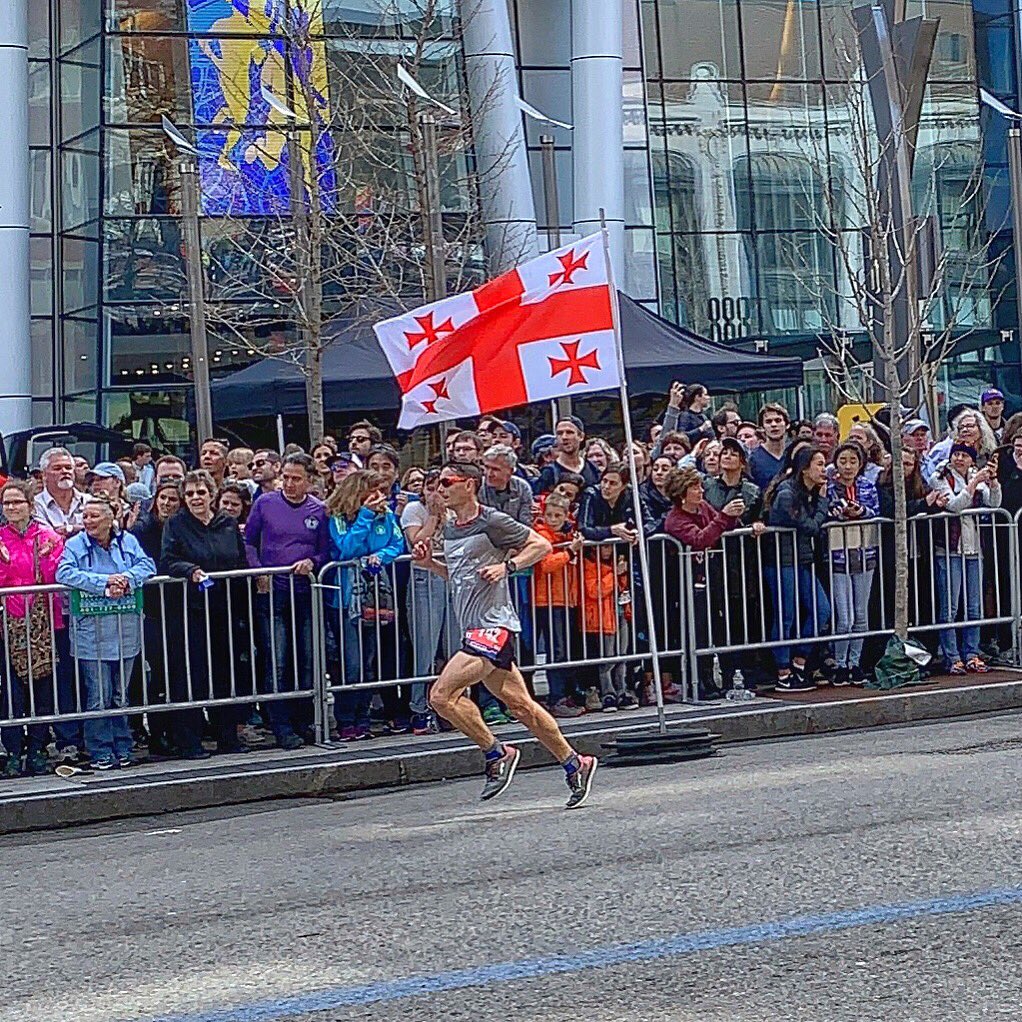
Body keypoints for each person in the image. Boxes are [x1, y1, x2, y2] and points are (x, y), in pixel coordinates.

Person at [411, 462, 598, 809]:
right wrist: (431, 566)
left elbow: (540, 545)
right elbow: (461, 577)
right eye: (437, 482)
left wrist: (506, 567)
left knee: (440, 696)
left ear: (469, 485)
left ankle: (497, 752)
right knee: (521, 706)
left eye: (448, 481)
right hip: (475, 627)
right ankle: (575, 763)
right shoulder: (452, 529)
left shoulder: (492, 521)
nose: (441, 487)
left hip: (493, 627)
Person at [56, 494, 156, 770]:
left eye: (94, 516)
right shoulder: (75, 544)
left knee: (120, 695)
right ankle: (100, 749)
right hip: (92, 634)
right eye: (85, 516)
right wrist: (104, 582)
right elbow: (64, 573)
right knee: (97, 695)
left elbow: (147, 565)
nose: (87, 521)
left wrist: (127, 579)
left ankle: (123, 746)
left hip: (125, 631)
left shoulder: (128, 541)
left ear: (111, 517)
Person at [161, 470, 252, 756]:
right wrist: (190, 571)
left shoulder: (227, 522)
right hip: (191, 611)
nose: (196, 498)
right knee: (191, 676)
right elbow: (168, 560)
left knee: (227, 674)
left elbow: (239, 559)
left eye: (201, 492)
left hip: (225, 609)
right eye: (189, 494)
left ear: (212, 494)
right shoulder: (176, 524)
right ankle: (189, 741)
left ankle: (229, 738)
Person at [244, 453, 330, 750]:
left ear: (309, 480)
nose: (290, 484)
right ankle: (280, 726)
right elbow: (249, 541)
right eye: (287, 477)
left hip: (305, 593)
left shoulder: (318, 510)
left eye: (297, 479)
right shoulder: (265, 503)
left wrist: (312, 561)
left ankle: (304, 721)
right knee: (277, 661)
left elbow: (325, 552)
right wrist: (258, 571)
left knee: (306, 660)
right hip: (273, 593)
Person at [324, 470, 406, 740]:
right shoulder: (337, 517)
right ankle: (345, 719)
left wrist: (381, 555)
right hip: (346, 599)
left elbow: (397, 543)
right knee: (352, 663)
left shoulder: (388, 515)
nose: (379, 497)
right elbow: (347, 548)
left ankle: (363, 718)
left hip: (375, 594)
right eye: (373, 491)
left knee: (370, 662)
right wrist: (366, 517)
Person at [0, 481, 64, 777]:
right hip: (7, 625)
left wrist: (48, 555)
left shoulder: (46, 536)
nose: (11, 508)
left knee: (42, 687)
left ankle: (38, 746)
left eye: (17, 502)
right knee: (10, 691)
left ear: (30, 505)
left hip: (44, 624)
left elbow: (56, 575)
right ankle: (13, 749)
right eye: (7, 503)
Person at [31, 446, 88, 767]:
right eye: (58, 468)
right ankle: (66, 739)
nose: (66, 472)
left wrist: (66, 536)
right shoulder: (34, 507)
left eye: (69, 467)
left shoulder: (89, 502)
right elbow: (43, 546)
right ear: (43, 475)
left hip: (87, 605)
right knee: (60, 675)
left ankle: (90, 737)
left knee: (88, 675)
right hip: (50, 608)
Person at [764, 446, 832, 691]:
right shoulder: (787, 493)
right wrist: (823, 500)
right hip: (782, 561)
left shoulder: (808, 492)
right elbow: (811, 525)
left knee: (822, 609)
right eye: (819, 464)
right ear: (805, 468)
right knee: (786, 615)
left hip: (802, 559)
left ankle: (799, 661)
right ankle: (783, 670)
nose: (824, 470)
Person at [931, 444, 1001, 674]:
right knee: (949, 606)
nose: (960, 459)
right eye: (956, 454)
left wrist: (992, 481)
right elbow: (954, 505)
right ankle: (952, 656)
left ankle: (971, 652)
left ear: (972, 459)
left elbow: (994, 503)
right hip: (950, 549)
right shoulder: (940, 476)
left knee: (974, 605)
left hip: (974, 548)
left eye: (965, 455)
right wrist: (973, 484)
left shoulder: (976, 474)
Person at [826, 442, 880, 686]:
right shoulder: (829, 488)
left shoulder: (867, 486)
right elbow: (827, 510)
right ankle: (839, 663)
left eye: (853, 461)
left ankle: (854, 663)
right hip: (838, 555)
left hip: (865, 553)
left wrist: (862, 511)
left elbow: (875, 511)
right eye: (843, 461)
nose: (848, 466)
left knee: (861, 613)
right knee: (844, 616)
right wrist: (840, 511)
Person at [400, 469, 448, 735]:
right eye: (431, 487)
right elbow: (417, 541)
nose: (437, 493)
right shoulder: (413, 510)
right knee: (425, 647)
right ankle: (419, 709)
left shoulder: (454, 510)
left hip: (451, 576)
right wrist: (433, 515)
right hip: (424, 580)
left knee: (455, 647)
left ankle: (452, 705)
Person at [532, 495, 585, 718]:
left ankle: (565, 693)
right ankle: (556, 697)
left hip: (566, 597)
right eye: (549, 515)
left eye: (557, 515)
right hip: (548, 599)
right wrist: (570, 551)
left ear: (566, 516)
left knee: (566, 650)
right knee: (557, 650)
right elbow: (546, 564)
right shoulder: (543, 535)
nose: (552, 519)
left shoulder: (569, 534)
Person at [581, 544, 634, 711]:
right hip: (602, 617)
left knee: (622, 656)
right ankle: (608, 693)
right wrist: (614, 574)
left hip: (620, 613)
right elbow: (594, 590)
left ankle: (621, 691)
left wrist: (621, 574)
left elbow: (623, 587)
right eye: (603, 547)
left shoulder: (617, 562)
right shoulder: (589, 564)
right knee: (607, 658)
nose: (607, 551)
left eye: (610, 547)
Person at [535, 417, 600, 493]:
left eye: (569, 432)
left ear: (581, 436)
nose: (564, 437)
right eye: (559, 433)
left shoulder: (592, 468)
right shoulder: (549, 472)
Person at [578, 464, 637, 545]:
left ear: (624, 486)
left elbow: (650, 522)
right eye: (604, 481)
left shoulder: (631, 493)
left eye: (613, 483)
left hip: (623, 549)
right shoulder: (590, 494)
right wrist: (610, 530)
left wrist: (638, 532)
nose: (606, 486)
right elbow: (583, 529)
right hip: (595, 550)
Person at [480, 445, 533, 526]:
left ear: (510, 471)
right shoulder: (477, 486)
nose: (489, 474)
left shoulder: (522, 487)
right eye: (486, 467)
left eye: (495, 469)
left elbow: (525, 522)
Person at [749, 403, 790, 491]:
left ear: (787, 425)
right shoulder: (753, 459)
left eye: (778, 420)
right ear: (762, 427)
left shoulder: (795, 454)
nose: (774, 425)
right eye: (768, 421)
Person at [639, 455, 674, 535]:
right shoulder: (641, 493)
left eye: (665, 469)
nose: (659, 473)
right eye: (655, 469)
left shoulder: (681, 493)